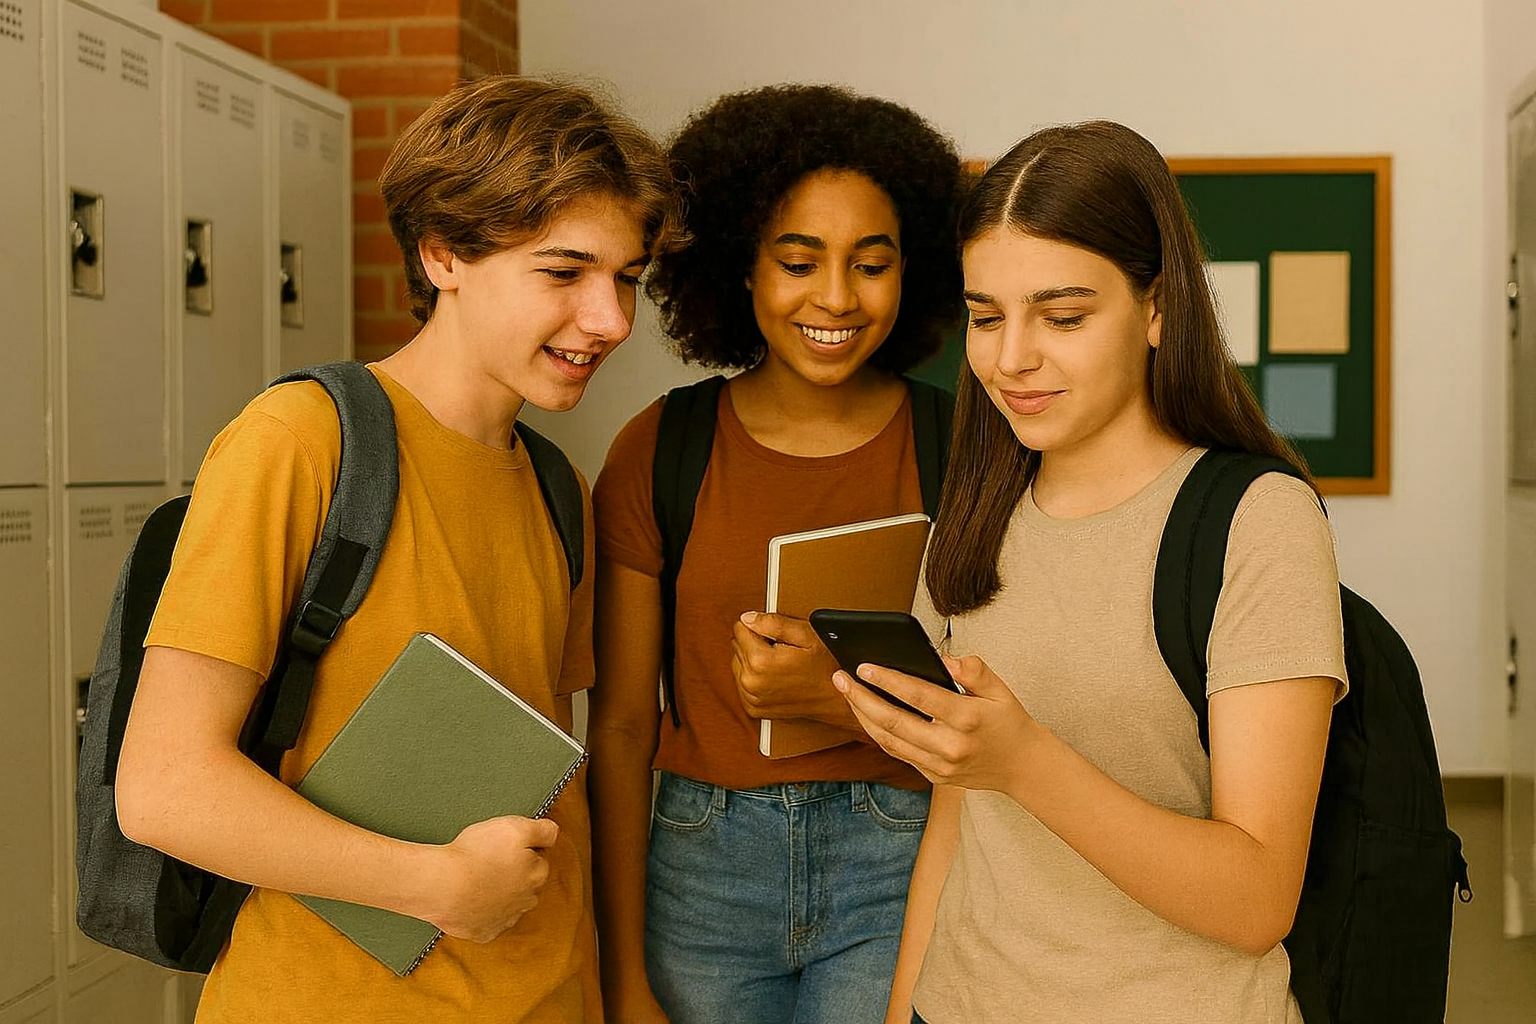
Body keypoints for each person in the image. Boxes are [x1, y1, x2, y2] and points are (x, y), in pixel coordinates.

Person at [114, 75, 681, 1023]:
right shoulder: (300, 441)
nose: (612, 321)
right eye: (564, 272)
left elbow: (557, 793)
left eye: (627, 278)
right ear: (443, 254)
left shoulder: (559, 490)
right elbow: (164, 788)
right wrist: (429, 883)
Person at [833, 121, 1348, 1024]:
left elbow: (1257, 901)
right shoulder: (974, 516)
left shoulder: (1257, 520)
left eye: (1063, 317)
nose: (1009, 358)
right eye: (986, 318)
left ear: (1157, 309)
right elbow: (960, 819)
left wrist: (1026, 761)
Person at [587, 84, 963, 1024]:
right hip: (699, 866)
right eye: (799, 261)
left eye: (870, 264)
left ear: (911, 272)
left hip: (897, 857)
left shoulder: (961, 450)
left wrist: (833, 695)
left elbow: (1008, 701)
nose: (835, 297)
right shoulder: (659, 449)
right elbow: (626, 727)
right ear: (740, 271)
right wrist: (624, 973)